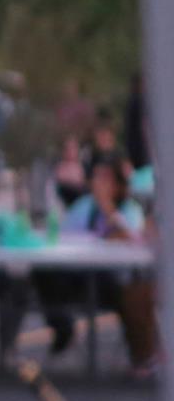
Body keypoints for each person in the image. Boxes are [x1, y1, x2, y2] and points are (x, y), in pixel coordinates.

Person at [39, 158, 160, 374]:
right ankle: (63, 332)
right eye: (96, 177)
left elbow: (131, 238)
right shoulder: (84, 206)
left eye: (105, 178)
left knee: (132, 293)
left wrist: (107, 208)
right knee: (43, 272)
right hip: (80, 274)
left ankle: (144, 357)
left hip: (113, 281)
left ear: (118, 184)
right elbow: (61, 237)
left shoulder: (129, 209)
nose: (98, 183)